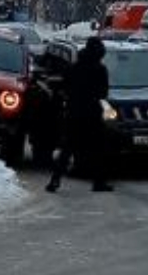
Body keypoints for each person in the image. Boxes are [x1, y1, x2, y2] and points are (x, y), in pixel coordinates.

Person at [47, 36, 113, 193]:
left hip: (74, 113)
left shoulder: (73, 67)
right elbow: (103, 94)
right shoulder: (100, 69)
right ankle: (99, 182)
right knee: (99, 149)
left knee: (67, 149)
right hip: (92, 115)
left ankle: (55, 180)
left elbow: (64, 87)